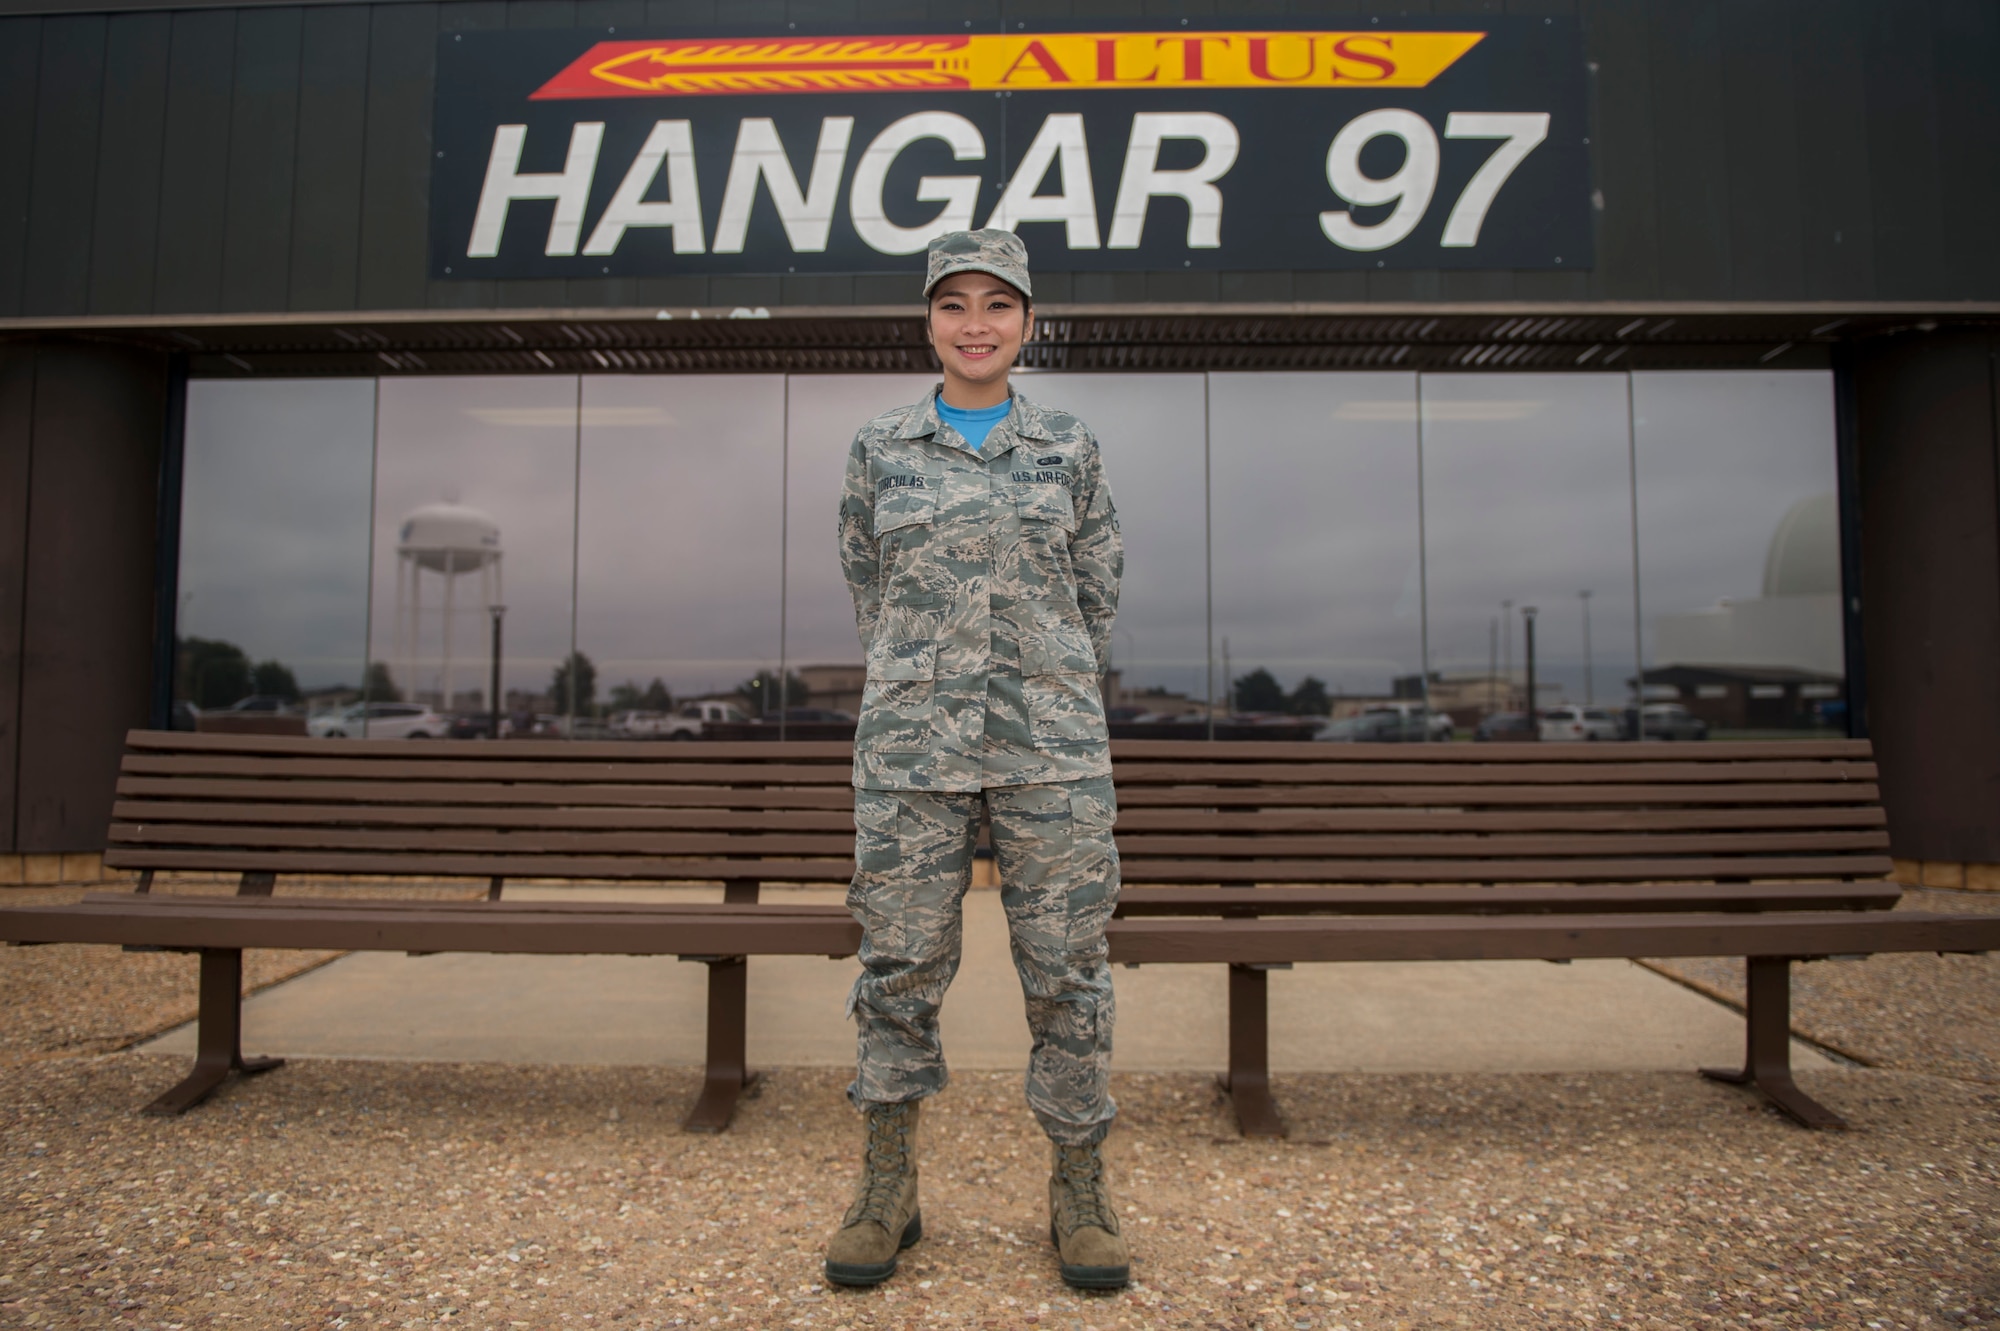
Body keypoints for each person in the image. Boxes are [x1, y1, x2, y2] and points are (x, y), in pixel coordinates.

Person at [825, 229, 1128, 1292]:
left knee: (1068, 969)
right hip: (913, 748)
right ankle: (886, 1185)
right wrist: (927, 683)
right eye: (953, 304)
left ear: (1028, 323)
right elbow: (870, 586)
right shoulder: (880, 448)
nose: (975, 324)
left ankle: (1078, 1189)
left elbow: (1096, 595)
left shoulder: (1069, 447)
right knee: (898, 965)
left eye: (996, 304)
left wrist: (1043, 684)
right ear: (928, 323)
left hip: (1050, 747)